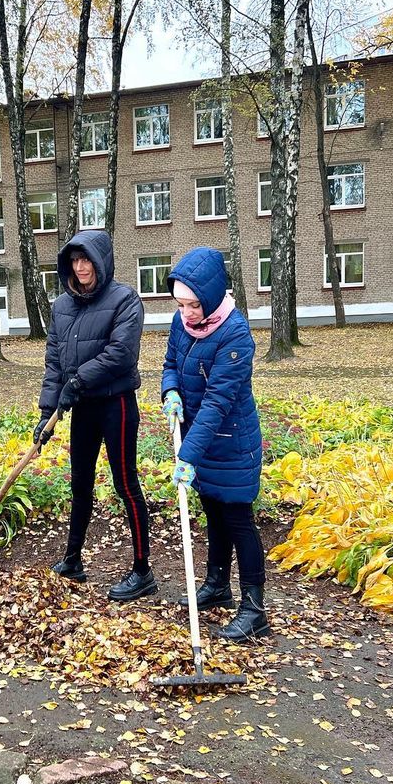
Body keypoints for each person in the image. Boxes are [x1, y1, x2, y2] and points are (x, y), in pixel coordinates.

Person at [34, 230, 153, 602]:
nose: (80, 266)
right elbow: (54, 362)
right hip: (80, 405)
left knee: (125, 484)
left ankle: (142, 570)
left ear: (101, 261)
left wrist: (78, 381)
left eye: (86, 259)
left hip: (115, 403)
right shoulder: (61, 307)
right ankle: (73, 560)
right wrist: (46, 410)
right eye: (74, 259)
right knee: (80, 484)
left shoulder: (125, 300)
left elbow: (121, 354)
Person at [160, 247, 269, 642]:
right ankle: (218, 586)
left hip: (231, 442)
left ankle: (255, 609)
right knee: (213, 514)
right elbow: (171, 363)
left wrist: (187, 453)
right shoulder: (182, 323)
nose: (186, 313)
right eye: (180, 304)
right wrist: (170, 391)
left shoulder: (235, 334)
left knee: (238, 521)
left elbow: (218, 402)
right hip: (199, 441)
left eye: (192, 305)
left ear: (209, 296)